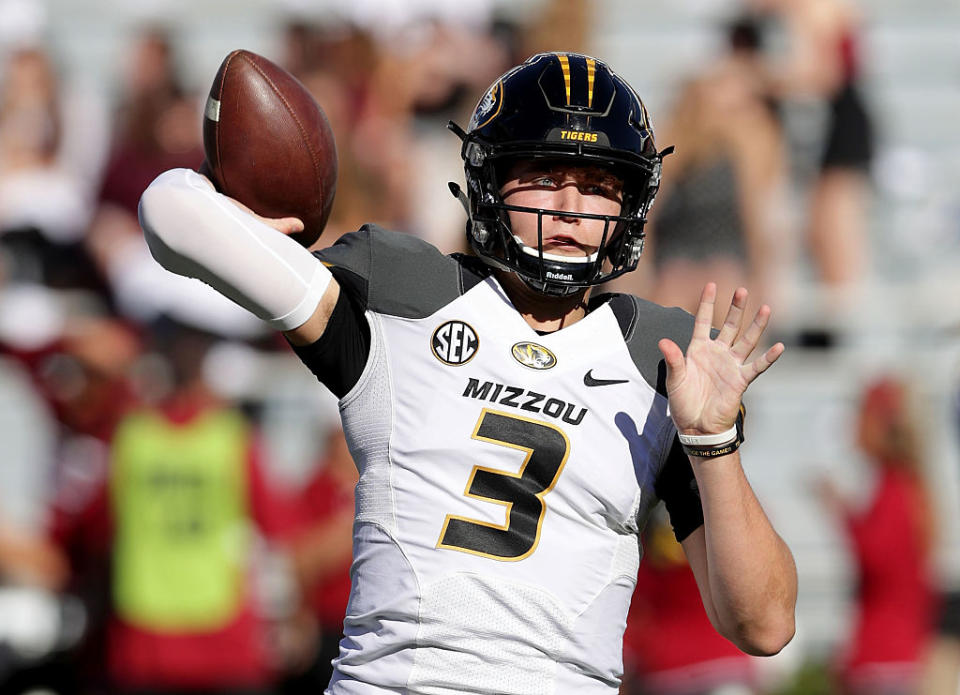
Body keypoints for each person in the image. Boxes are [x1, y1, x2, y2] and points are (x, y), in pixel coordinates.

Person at [139, 52, 797, 694]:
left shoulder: (661, 359)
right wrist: (255, 224)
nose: (570, 204)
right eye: (545, 173)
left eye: (598, 185)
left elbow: (763, 624)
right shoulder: (405, 293)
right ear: (490, 180)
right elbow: (172, 214)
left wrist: (713, 444)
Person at [815, 376, 936, 695]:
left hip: (886, 654)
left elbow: (877, 560)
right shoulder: (900, 486)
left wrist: (839, 510)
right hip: (887, 651)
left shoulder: (896, 488)